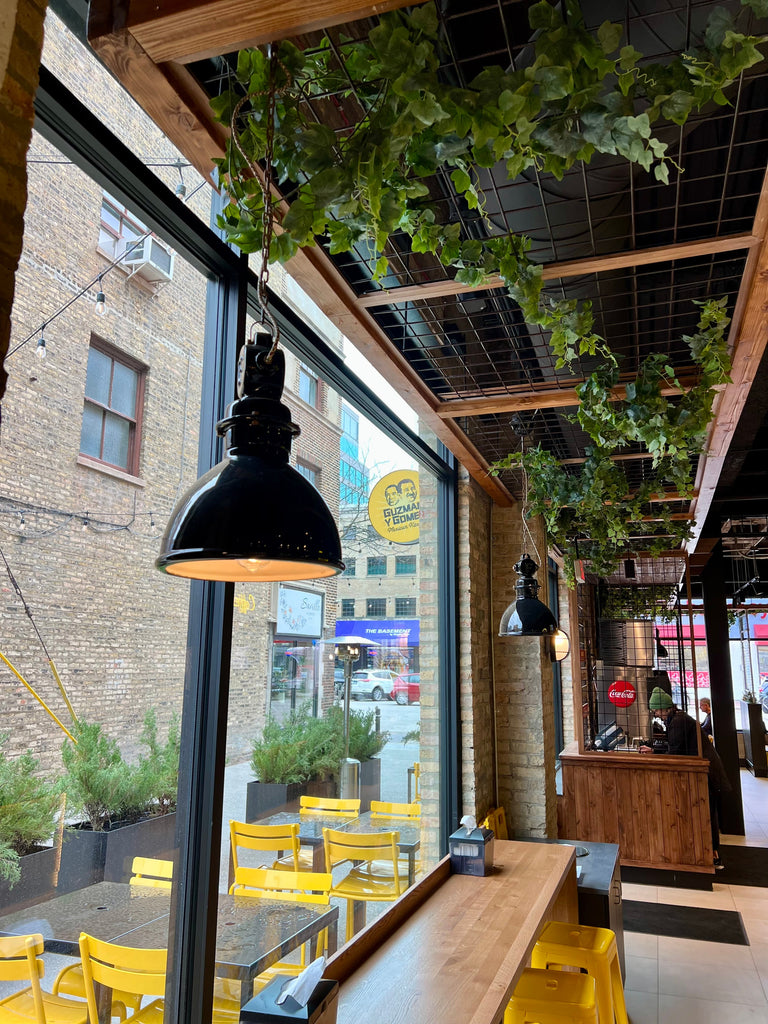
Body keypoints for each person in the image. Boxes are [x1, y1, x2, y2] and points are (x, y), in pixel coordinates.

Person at [640, 687, 730, 869]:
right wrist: (654, 750)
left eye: (656, 711)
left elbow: (674, 752)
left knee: (706, 813)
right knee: (705, 811)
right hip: (706, 769)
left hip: (706, 772)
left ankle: (713, 855)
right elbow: (675, 747)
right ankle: (709, 853)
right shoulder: (678, 718)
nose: (656, 715)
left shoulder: (678, 722)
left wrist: (654, 753)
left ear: (664, 708)